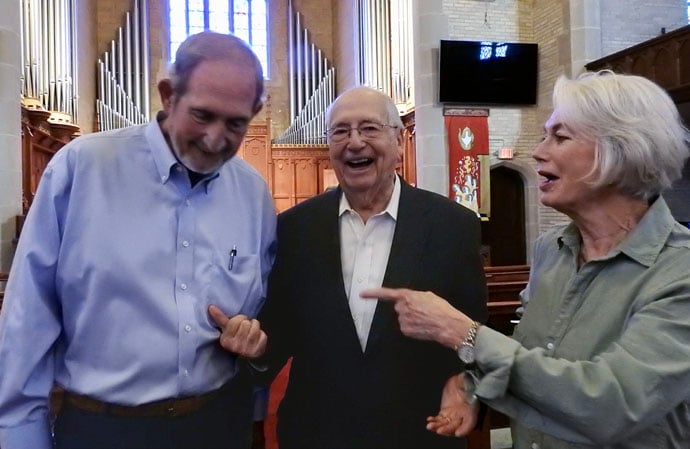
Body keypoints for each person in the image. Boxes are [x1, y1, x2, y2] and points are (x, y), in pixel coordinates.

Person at [363, 70, 690, 448]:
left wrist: (463, 333)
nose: (538, 151)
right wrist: (472, 386)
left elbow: (612, 406)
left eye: (560, 137)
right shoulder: (553, 248)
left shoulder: (678, 270)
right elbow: (536, 356)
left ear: (621, 149)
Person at [0, 31, 276, 449]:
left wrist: (250, 338)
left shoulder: (252, 194)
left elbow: (261, 315)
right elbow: (27, 323)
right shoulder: (83, 169)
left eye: (236, 123)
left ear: (255, 112)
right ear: (168, 95)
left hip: (217, 424)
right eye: (202, 116)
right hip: (105, 430)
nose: (216, 138)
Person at [252, 86, 488, 449]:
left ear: (398, 140)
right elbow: (279, 330)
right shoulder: (295, 228)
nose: (355, 142)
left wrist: (467, 388)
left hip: (419, 433)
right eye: (341, 131)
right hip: (317, 433)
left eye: (369, 128)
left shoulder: (451, 226)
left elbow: (473, 332)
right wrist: (253, 346)